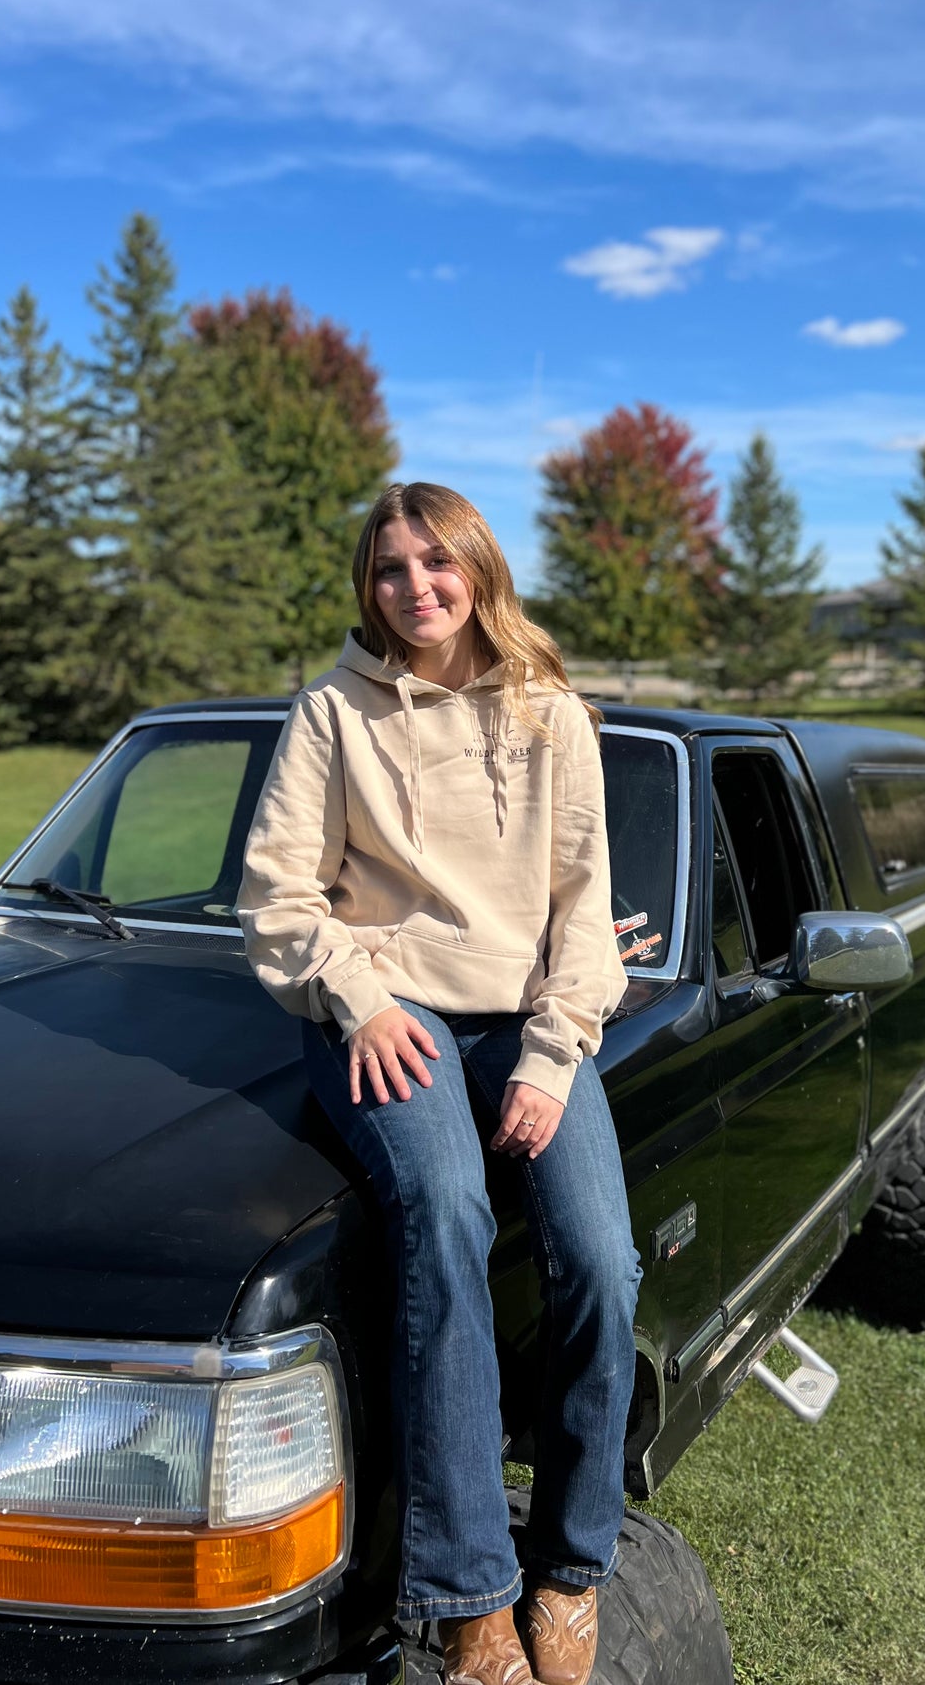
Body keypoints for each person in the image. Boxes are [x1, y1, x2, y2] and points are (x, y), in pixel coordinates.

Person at [237, 481, 642, 1685]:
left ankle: (571, 1569)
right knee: (448, 1213)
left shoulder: (552, 713)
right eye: (388, 568)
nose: (413, 587)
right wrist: (355, 1000)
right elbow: (275, 896)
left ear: (477, 567)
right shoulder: (328, 712)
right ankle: (470, 1600)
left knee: (601, 1262)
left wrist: (553, 1049)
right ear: (366, 585)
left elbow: (582, 905)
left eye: (434, 562)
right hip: (382, 1003)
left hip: (527, 1012)